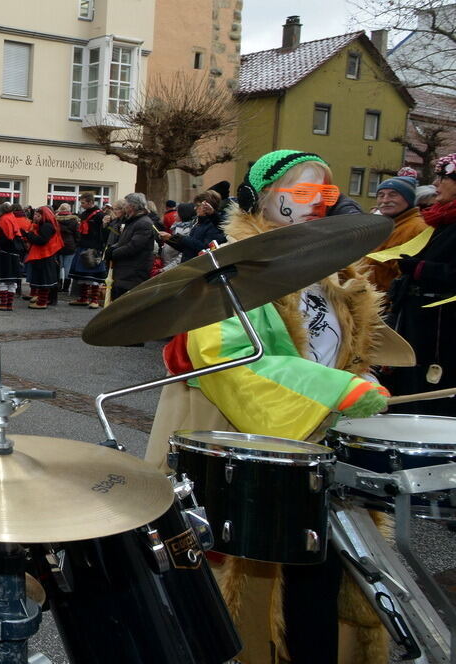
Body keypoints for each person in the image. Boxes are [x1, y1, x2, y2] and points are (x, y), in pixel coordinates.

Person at [148, 150, 402, 664]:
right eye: (303, 191)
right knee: (255, 598)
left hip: (321, 449)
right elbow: (227, 361)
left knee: (324, 584)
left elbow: (340, 351)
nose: (317, 204)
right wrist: (336, 391)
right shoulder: (229, 270)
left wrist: (360, 376)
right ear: (259, 198)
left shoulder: (331, 272)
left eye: (325, 195)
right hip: (244, 451)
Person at [382, 153, 456, 417]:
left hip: (442, 322)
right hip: (418, 314)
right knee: (409, 375)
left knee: (432, 380)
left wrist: (421, 268)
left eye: (442, 177)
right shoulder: (441, 220)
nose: (436, 184)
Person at [362, 176, 427, 293]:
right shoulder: (386, 226)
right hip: (369, 299)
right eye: (381, 195)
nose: (385, 200)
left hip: (386, 304)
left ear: (408, 199)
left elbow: (404, 276)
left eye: (393, 195)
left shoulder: (416, 228)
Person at [105, 193, 156, 302]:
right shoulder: (133, 221)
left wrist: (114, 253)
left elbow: (133, 247)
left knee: (125, 304)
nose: (124, 207)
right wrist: (112, 248)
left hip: (133, 272)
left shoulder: (143, 223)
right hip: (125, 271)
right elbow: (123, 241)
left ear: (132, 206)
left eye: (126, 204)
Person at [159, 189, 227, 264]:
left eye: (197, 206)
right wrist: (170, 239)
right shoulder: (199, 223)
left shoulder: (214, 225)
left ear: (207, 207)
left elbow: (205, 248)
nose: (195, 208)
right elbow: (187, 249)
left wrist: (182, 238)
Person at [68, 192, 108, 307]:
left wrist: (99, 247)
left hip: (94, 247)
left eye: (83, 203)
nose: (81, 205)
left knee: (93, 275)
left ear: (91, 202)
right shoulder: (84, 213)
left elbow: (103, 232)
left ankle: (94, 300)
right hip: (82, 245)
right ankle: (83, 298)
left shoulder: (100, 215)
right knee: (82, 274)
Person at [0, 203, 28, 311]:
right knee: (12, 281)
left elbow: (5, 237)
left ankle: (3, 304)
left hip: (4, 253)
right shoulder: (12, 218)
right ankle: (9, 304)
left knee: (3, 279)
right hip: (14, 253)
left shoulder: (3, 219)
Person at [23, 206, 64, 309]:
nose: (35, 217)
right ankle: (43, 300)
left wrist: (29, 235)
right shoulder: (46, 225)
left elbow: (42, 240)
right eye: (35, 215)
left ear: (44, 216)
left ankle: (42, 302)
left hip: (44, 255)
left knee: (43, 280)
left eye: (38, 215)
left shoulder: (46, 226)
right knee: (43, 279)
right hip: (44, 255)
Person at [54, 203, 80, 292]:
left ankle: (59, 285)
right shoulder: (74, 220)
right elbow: (77, 234)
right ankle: (66, 287)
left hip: (58, 245)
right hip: (70, 245)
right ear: (69, 210)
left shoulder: (55, 220)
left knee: (59, 266)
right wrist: (76, 243)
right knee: (68, 267)